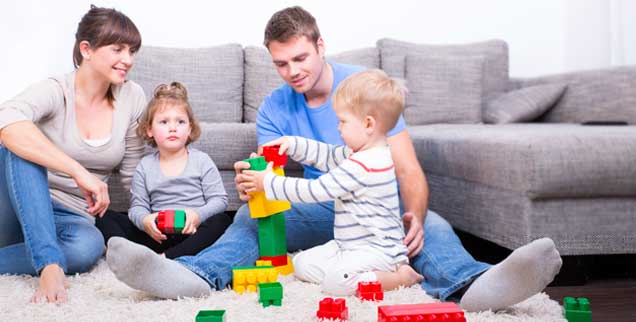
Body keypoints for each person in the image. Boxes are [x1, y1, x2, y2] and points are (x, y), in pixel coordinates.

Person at [106, 6, 562, 312]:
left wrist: (415, 215)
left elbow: (408, 171)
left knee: (434, 226)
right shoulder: (274, 108)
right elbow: (281, 182)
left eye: (300, 58)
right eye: (281, 64)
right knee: (249, 217)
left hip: (374, 210)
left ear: (321, 46)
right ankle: (192, 275)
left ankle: (475, 285)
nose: (293, 71)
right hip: (324, 210)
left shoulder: (362, 92)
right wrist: (256, 185)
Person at [0, 5, 146, 303]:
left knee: (87, 247)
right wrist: (78, 171)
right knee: (20, 144)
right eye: (118, 49)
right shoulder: (56, 90)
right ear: (87, 49)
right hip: (16, 206)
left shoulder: (132, 97)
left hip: (71, 219)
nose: (127, 60)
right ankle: (49, 264)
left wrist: (152, 217)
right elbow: (6, 121)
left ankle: (38, 252)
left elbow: (134, 176)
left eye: (132, 51)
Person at [243, 69, 423, 295]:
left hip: (379, 251)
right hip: (348, 246)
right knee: (301, 263)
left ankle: (399, 277)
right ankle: (354, 274)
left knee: (337, 283)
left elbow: (315, 190)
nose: (338, 128)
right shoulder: (358, 154)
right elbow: (327, 155)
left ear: (368, 124)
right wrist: (292, 143)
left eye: (343, 121)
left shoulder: (365, 164)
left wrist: (268, 183)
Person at [96, 82, 231, 260]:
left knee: (223, 220)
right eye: (164, 122)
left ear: (190, 128)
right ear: (149, 130)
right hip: (158, 236)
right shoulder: (144, 166)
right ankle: (134, 255)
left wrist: (197, 216)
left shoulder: (201, 160)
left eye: (180, 122)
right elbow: (138, 207)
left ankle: (165, 259)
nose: (173, 127)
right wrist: (146, 221)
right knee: (105, 217)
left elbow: (220, 200)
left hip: (193, 232)